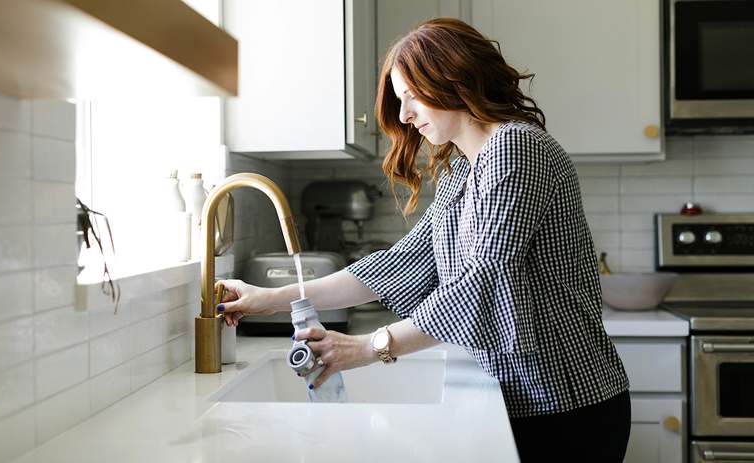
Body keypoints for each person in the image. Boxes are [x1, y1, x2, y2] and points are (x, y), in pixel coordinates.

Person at [216, 18, 630, 462]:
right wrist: (269, 298)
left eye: (411, 96)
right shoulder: (461, 171)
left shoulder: (517, 147)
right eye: (400, 101)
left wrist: (368, 347)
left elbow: (483, 281)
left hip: (566, 403)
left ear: (452, 77)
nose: (406, 115)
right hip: (518, 399)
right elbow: (399, 264)